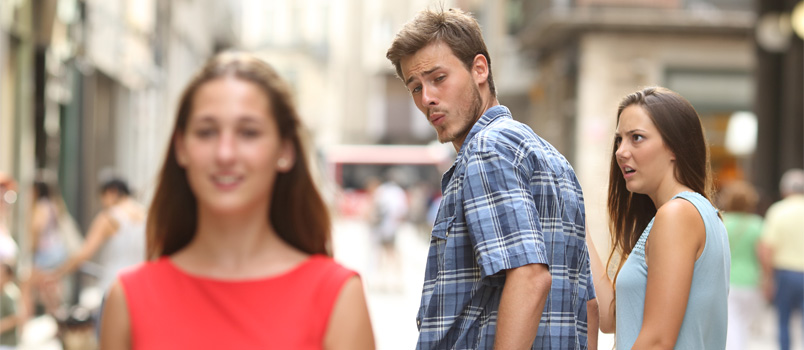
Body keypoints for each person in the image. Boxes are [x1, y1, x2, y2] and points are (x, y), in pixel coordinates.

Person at [99, 52, 375, 350]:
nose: (225, 153)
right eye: (206, 132)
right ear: (181, 147)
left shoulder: (338, 297)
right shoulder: (127, 299)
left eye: (248, 132)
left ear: (285, 149)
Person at [387, 8, 597, 349]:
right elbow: (587, 303)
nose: (427, 99)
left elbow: (530, 277)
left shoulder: (488, 149)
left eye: (438, 78)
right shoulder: (554, 160)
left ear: (479, 69)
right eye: (415, 87)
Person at [586, 87, 730, 349]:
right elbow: (611, 318)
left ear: (675, 147)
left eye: (637, 138)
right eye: (619, 140)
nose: (620, 151)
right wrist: (575, 222)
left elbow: (657, 342)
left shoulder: (677, 215)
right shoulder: (697, 213)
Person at [46, 178, 146, 298]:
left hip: (115, 286)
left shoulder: (109, 217)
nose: (103, 203)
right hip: (141, 288)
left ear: (112, 192)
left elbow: (84, 253)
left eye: (103, 198)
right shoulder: (147, 216)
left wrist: (58, 273)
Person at [758, 168, 804, 350]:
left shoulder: (778, 211)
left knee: (783, 321)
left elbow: (767, 248)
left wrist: (767, 278)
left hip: (784, 273)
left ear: (785, 190)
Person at [719, 180, 764, 350]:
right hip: (751, 280)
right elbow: (763, 254)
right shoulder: (757, 223)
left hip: (727, 279)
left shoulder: (721, 221)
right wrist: (767, 279)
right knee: (744, 324)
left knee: (732, 323)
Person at [27, 181, 69, 315]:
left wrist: (32, 249)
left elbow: (37, 228)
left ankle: (25, 321)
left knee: (28, 286)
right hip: (57, 250)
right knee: (51, 287)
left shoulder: (41, 206)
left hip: (45, 252)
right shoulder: (54, 205)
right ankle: (56, 316)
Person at [365, 174, 408, 292]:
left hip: (380, 229)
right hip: (392, 228)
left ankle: (381, 281)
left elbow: (372, 209)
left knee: (381, 255)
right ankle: (396, 281)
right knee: (392, 254)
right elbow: (402, 212)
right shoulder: (398, 193)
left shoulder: (381, 191)